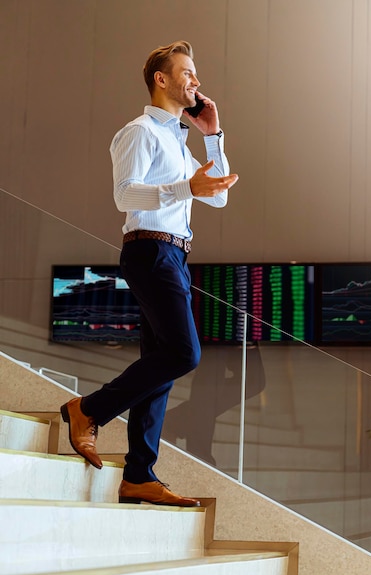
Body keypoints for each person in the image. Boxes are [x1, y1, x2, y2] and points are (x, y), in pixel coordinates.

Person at [60, 40, 238, 507]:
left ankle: (139, 473)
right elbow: (124, 196)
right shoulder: (139, 132)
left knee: (160, 366)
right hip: (149, 251)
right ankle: (87, 409)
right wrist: (184, 186)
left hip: (175, 256)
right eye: (188, 72)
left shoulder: (179, 139)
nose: (196, 81)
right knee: (184, 353)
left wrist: (212, 136)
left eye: (196, 74)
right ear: (162, 78)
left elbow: (217, 196)